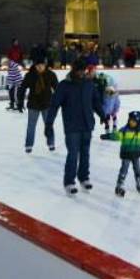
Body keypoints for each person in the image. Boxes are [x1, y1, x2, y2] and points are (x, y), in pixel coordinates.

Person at [46, 60, 105, 195]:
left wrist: (102, 115)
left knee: (85, 153)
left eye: (82, 70)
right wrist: (49, 123)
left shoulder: (88, 84)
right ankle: (69, 182)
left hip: (87, 124)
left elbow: (95, 101)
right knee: (73, 154)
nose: (80, 73)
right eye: (78, 70)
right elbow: (54, 105)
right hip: (72, 126)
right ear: (73, 70)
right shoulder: (64, 85)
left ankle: (83, 177)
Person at [101, 110, 140, 197]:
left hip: (136, 155)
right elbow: (116, 136)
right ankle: (120, 185)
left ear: (138, 122)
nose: (131, 122)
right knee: (124, 169)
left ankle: (139, 183)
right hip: (126, 154)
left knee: (138, 169)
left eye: (133, 121)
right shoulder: (124, 131)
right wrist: (107, 136)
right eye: (130, 120)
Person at [19, 58, 58, 153]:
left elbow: (57, 88)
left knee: (49, 125)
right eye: (38, 65)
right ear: (35, 66)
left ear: (45, 65)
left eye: (42, 65)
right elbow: (23, 88)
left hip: (47, 104)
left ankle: (51, 143)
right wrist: (20, 102)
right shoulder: (30, 75)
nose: (40, 67)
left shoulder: (51, 75)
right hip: (33, 104)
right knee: (31, 126)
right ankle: (29, 145)